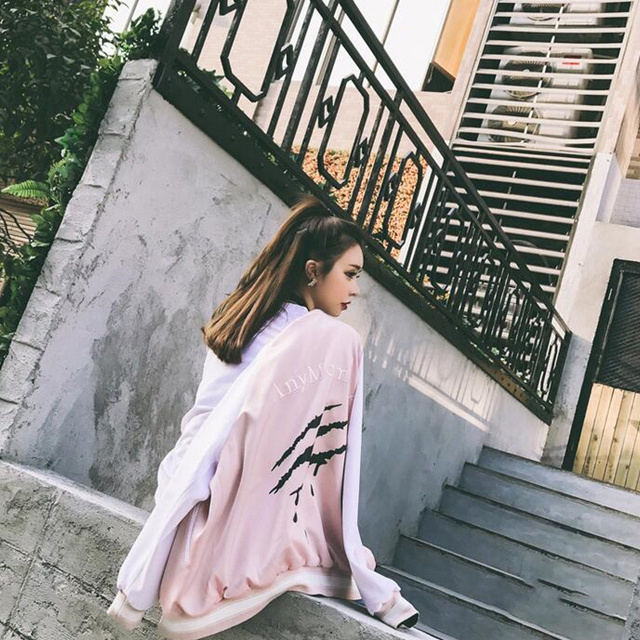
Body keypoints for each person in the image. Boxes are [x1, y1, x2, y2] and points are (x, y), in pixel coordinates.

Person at [106, 193, 420, 637]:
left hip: (184, 487)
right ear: (313, 271)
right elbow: (317, 459)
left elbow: (206, 428)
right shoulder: (321, 337)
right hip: (231, 510)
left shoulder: (243, 318)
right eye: (350, 274)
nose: (355, 290)